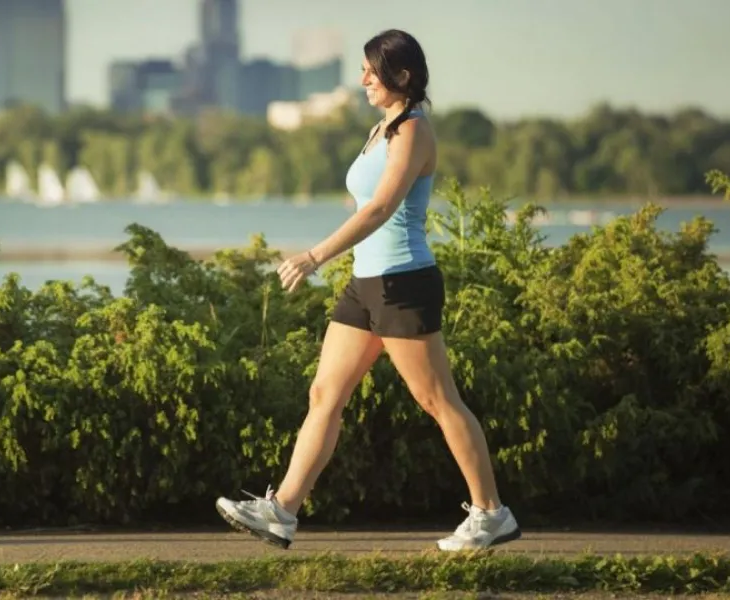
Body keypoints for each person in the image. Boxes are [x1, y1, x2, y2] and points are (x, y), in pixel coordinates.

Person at [215, 28, 521, 552]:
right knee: (323, 394)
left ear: (401, 75)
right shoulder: (381, 129)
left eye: (371, 71)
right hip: (366, 284)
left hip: (404, 283)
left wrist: (314, 256)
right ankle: (282, 511)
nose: (362, 80)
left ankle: (492, 514)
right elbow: (365, 206)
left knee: (437, 399)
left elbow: (379, 209)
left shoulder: (414, 131)